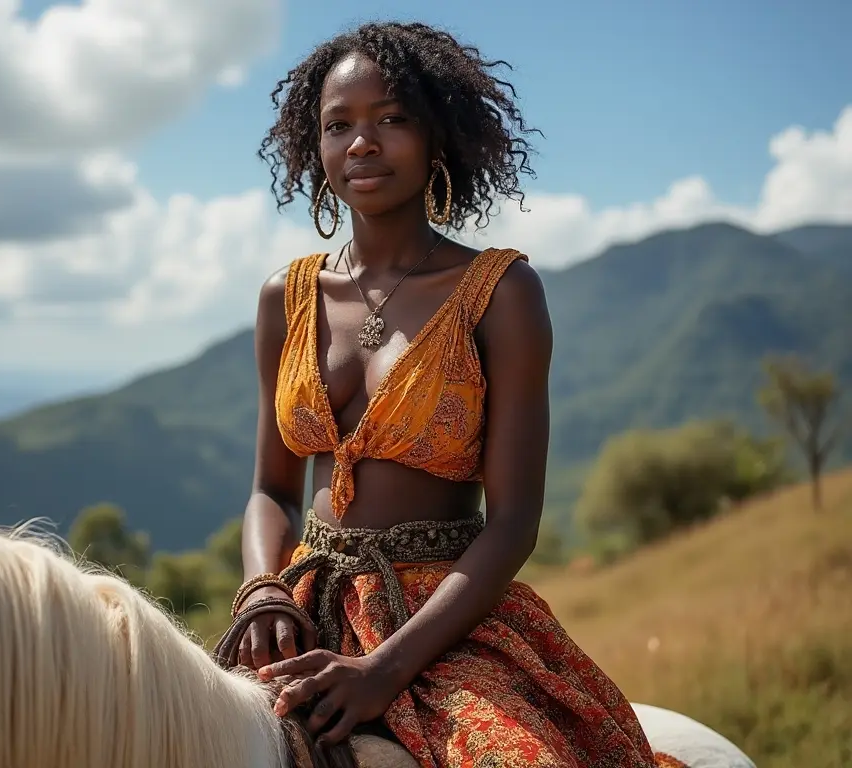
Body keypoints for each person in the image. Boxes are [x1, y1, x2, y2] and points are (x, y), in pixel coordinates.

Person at [230, 21, 666, 768]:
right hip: (300, 611)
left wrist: (382, 671)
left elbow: (515, 523)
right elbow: (273, 487)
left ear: (439, 139)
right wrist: (262, 592)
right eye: (340, 125)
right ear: (317, 148)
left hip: (443, 619)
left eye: (392, 119)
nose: (362, 143)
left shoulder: (499, 294)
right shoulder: (286, 297)